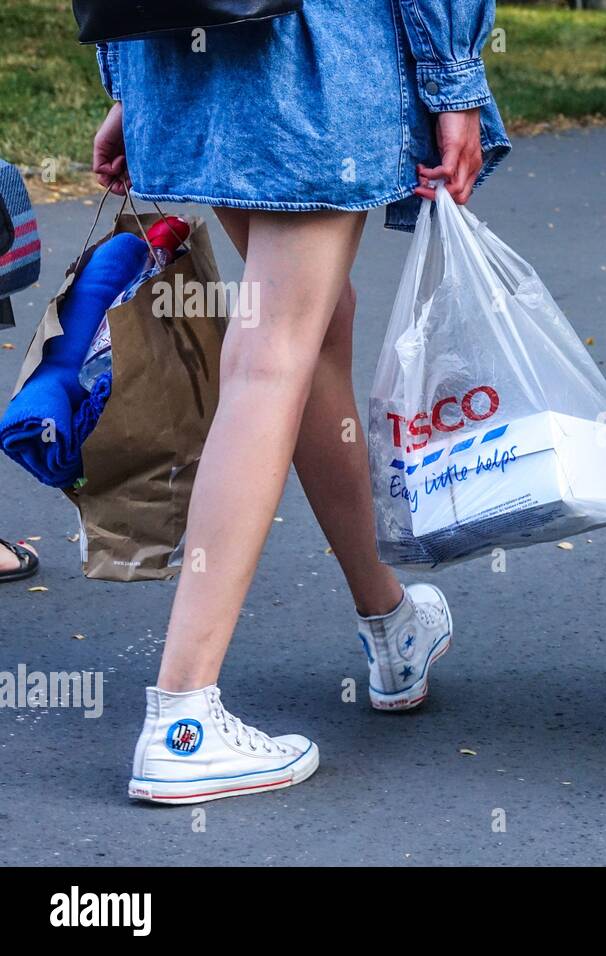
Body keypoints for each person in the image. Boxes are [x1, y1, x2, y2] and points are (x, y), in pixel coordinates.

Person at [89, 0, 509, 804]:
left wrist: (127, 78)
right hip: (315, 55)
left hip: (187, 40)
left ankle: (391, 624)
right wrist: (454, 80)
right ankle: (183, 718)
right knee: (273, 345)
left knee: (312, 323)